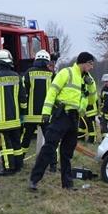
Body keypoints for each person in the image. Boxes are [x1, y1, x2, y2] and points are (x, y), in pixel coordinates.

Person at [29, 52, 96, 191]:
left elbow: (91, 100)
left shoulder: (87, 79)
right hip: (62, 115)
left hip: (74, 118)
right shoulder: (67, 72)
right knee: (49, 147)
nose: (92, 67)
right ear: (83, 63)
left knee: (67, 153)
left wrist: (91, 86)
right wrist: (46, 112)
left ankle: (67, 184)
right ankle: (34, 180)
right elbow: (52, 92)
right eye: (90, 64)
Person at [20, 50, 54, 150]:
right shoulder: (52, 75)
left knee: (25, 140)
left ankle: (20, 161)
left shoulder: (28, 73)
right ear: (48, 61)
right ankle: (53, 164)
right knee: (50, 141)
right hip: (46, 115)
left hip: (30, 115)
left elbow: (22, 93)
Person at [76, 69, 98, 143]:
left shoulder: (89, 80)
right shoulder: (79, 79)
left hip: (91, 107)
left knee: (91, 124)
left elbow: (92, 93)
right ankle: (81, 137)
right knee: (82, 124)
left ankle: (92, 139)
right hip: (84, 106)